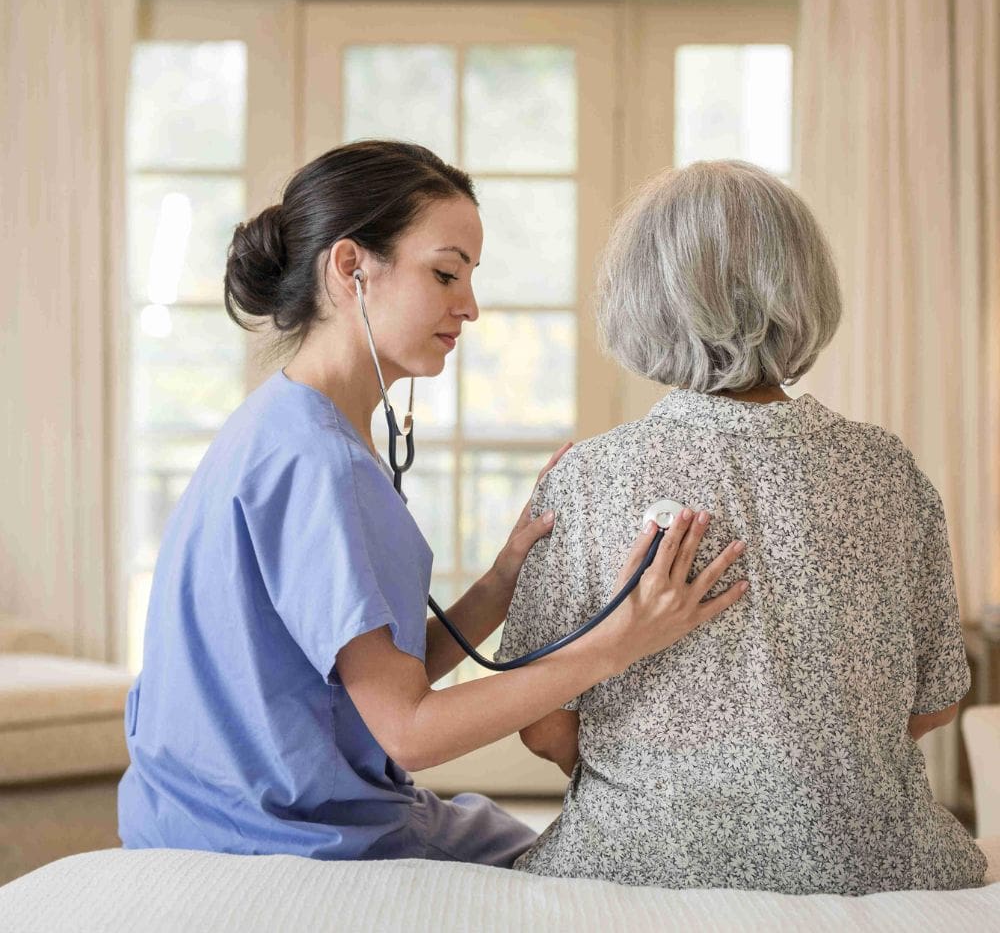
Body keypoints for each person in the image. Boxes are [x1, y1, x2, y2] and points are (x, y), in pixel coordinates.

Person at [117, 140, 748, 866]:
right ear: (350, 268)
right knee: (584, 872)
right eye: (446, 273)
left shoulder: (281, 422)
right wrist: (618, 645)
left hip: (196, 812)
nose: (470, 306)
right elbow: (409, 730)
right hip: (294, 831)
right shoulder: (321, 463)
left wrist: (502, 580)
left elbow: (367, 678)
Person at [497, 159, 988, 894]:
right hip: (875, 868)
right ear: (807, 291)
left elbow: (541, 725)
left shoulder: (588, 478)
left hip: (636, 866)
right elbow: (938, 701)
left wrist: (683, 784)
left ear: (640, 299)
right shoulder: (889, 470)